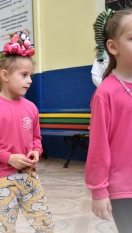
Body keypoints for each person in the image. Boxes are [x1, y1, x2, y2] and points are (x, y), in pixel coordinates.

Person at [0, 30, 54, 233]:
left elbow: (36, 137)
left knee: (45, 224)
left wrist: (36, 151)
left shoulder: (31, 108)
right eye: (24, 75)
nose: (29, 81)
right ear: (5, 75)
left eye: (31, 76)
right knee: (5, 228)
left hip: (29, 177)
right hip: (2, 180)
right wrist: (8, 158)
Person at [85, 9, 132, 233]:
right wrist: (98, 190)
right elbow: (98, 146)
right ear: (113, 47)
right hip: (125, 190)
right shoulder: (106, 93)